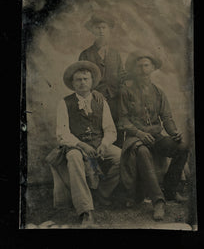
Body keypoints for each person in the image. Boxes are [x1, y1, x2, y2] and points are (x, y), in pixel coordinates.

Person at [46, 61, 121, 227]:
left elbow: (110, 130)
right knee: (73, 157)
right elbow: (62, 133)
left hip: (98, 144)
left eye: (85, 79)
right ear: (72, 84)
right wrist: (81, 145)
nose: (82, 82)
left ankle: (102, 193)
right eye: (78, 80)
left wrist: (104, 144)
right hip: (76, 146)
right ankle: (86, 211)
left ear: (92, 82)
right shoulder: (65, 103)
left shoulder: (102, 102)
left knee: (121, 157)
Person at [118, 50, 189, 221]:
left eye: (146, 66)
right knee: (142, 151)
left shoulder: (158, 92)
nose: (143, 70)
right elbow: (123, 120)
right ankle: (158, 201)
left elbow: (167, 118)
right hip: (135, 138)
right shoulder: (126, 91)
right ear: (134, 70)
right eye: (139, 66)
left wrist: (174, 132)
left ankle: (170, 190)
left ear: (153, 68)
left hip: (156, 136)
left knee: (183, 147)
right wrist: (139, 133)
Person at [79, 12, 126, 147]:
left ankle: (117, 163)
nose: (101, 30)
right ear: (93, 30)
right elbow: (81, 79)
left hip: (115, 98)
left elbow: (121, 74)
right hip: (94, 99)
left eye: (104, 27)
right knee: (98, 131)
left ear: (109, 30)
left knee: (118, 130)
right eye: (98, 28)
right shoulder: (85, 54)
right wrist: (92, 91)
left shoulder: (115, 54)